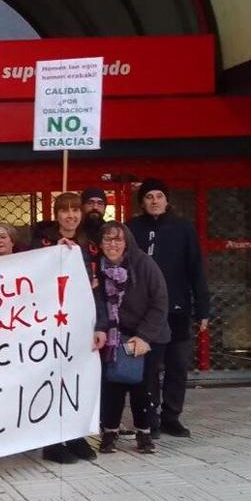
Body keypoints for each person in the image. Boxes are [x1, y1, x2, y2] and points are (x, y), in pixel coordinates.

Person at [127, 179, 211, 438]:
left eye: (159, 196)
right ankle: (148, 418)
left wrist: (203, 309)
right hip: (144, 312)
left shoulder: (183, 228)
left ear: (167, 200)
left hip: (177, 308)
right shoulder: (131, 229)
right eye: (149, 196)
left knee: (177, 365)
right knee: (147, 368)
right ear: (142, 201)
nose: (154, 200)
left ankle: (171, 416)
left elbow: (196, 269)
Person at [94, 222, 169, 455]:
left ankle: (145, 433)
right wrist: (101, 328)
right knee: (112, 385)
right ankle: (110, 432)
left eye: (117, 239)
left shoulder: (144, 264)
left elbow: (159, 301)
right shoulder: (98, 270)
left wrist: (144, 336)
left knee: (143, 386)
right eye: (107, 239)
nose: (112, 244)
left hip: (148, 335)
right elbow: (98, 305)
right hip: (115, 336)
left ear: (126, 242)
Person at [37, 194, 101, 464]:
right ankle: (52, 440)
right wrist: (52, 254)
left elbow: (101, 289)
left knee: (78, 379)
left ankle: (75, 434)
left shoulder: (92, 246)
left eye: (75, 210)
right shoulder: (42, 243)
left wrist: (102, 325)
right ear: (57, 215)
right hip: (51, 323)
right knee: (53, 379)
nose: (70, 216)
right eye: (64, 211)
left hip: (82, 323)